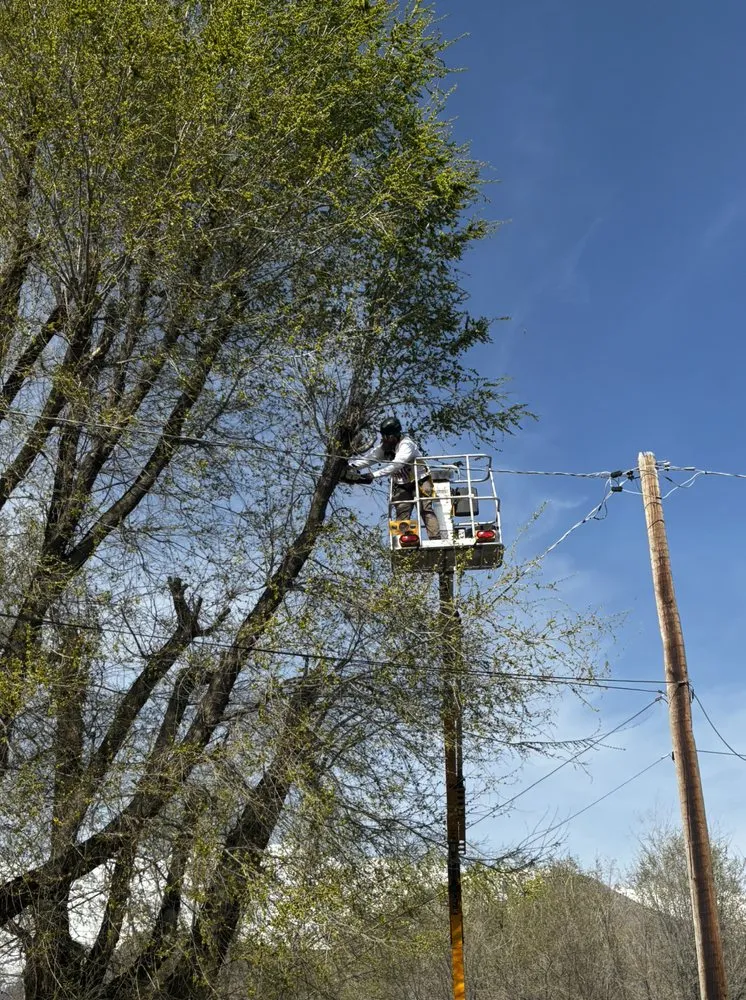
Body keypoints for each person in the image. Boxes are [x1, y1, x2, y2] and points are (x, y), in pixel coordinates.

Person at [348, 417, 441, 539]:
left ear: (395, 435)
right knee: (401, 512)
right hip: (401, 485)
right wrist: (350, 467)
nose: (384, 439)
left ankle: (435, 539)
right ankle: (403, 541)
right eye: (383, 436)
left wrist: (373, 475)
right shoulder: (384, 448)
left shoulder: (407, 445)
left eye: (387, 436)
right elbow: (367, 460)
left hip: (420, 481)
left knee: (425, 509)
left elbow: (397, 464)